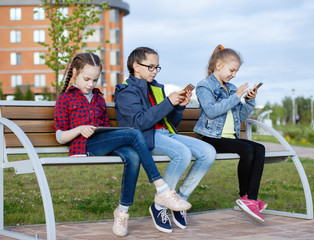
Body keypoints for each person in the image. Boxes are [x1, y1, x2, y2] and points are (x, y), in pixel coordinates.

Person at [53, 52, 191, 237]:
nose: (90, 84)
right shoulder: (65, 98)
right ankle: (162, 189)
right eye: (87, 79)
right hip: (84, 146)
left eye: (95, 80)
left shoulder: (98, 98)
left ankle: (122, 212)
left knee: (133, 156)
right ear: (75, 72)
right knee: (134, 133)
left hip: (102, 141)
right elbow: (60, 136)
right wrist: (79, 129)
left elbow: (105, 127)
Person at [114, 47, 216, 233]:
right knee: (182, 153)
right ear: (136, 66)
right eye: (151, 67)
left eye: (157, 68)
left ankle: (179, 199)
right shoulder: (126, 91)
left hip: (166, 134)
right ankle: (160, 205)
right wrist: (168, 102)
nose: (154, 71)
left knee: (209, 152)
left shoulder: (156, 88)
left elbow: (169, 122)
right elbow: (139, 123)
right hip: (144, 138)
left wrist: (178, 107)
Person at [194, 45, 267, 223]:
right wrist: (235, 98)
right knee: (247, 150)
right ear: (219, 65)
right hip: (212, 138)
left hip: (229, 138)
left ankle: (251, 198)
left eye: (236, 71)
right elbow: (211, 111)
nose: (234, 74)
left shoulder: (232, 87)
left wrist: (249, 101)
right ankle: (246, 196)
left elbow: (240, 116)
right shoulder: (204, 86)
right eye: (232, 70)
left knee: (260, 148)